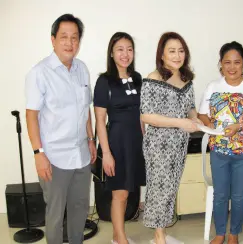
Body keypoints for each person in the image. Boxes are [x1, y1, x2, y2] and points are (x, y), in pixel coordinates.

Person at [25, 14, 96, 244]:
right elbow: (31, 115)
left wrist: (91, 139)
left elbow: (86, 109)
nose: (69, 42)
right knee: (55, 215)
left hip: (81, 155)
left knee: (79, 210)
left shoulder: (82, 69)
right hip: (54, 157)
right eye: (64, 37)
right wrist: (39, 154)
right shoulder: (40, 73)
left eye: (74, 38)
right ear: (53, 39)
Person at [198, 41, 243, 244]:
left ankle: (234, 234)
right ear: (220, 64)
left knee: (238, 196)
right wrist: (211, 124)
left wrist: (238, 126)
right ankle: (220, 233)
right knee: (220, 195)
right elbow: (203, 113)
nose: (232, 67)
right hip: (219, 150)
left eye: (237, 62)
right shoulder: (213, 86)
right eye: (227, 62)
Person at [140, 32, 201, 244]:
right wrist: (180, 122)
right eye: (172, 51)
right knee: (159, 189)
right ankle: (158, 235)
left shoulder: (187, 79)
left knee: (171, 188)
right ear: (162, 55)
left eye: (181, 51)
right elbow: (146, 115)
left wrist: (195, 120)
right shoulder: (153, 78)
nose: (177, 55)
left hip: (179, 144)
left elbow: (190, 108)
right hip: (159, 145)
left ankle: (163, 231)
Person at [93, 32, 146, 244]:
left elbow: (142, 114)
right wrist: (106, 153)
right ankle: (121, 239)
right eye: (120, 49)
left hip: (136, 143)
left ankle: (117, 234)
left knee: (129, 192)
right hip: (116, 143)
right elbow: (99, 120)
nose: (125, 54)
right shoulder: (104, 81)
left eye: (129, 49)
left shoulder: (138, 78)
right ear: (112, 53)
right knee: (120, 194)